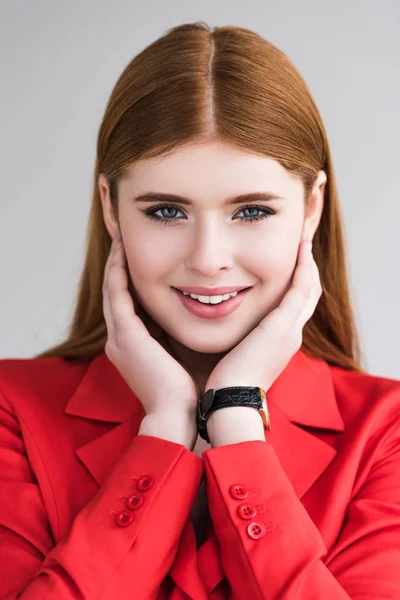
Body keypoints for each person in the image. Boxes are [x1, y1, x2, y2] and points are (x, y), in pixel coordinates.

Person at [0, 20, 399, 600]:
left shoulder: (385, 433)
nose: (209, 260)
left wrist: (235, 419)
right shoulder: (12, 410)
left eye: (252, 211)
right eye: (166, 211)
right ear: (111, 208)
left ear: (311, 207)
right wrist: (163, 428)